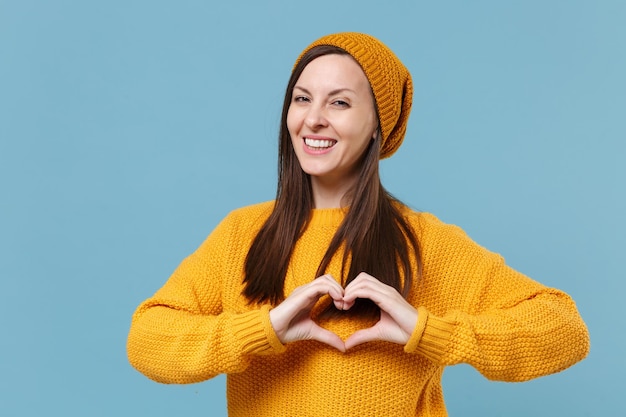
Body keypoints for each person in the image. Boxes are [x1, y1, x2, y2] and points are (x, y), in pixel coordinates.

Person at [127, 32, 589, 416]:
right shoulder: (242, 234)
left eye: (339, 103)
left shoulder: (423, 242)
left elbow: (564, 329)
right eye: (302, 99)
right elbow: (146, 340)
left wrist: (428, 332)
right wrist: (261, 330)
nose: (313, 119)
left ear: (377, 125)